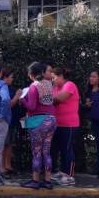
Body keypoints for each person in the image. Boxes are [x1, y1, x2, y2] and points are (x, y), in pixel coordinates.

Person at [19, 62, 57, 190]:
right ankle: (47, 181)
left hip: (38, 121)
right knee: (46, 152)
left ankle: (35, 180)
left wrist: (22, 99)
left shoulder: (33, 86)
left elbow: (31, 107)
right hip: (52, 120)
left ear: (31, 74)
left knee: (36, 152)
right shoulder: (49, 84)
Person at [51, 67, 80, 185]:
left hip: (69, 124)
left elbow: (59, 99)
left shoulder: (69, 85)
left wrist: (43, 98)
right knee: (58, 149)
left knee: (67, 149)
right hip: (57, 124)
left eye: (54, 77)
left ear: (61, 76)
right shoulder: (55, 88)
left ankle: (69, 176)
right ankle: (62, 172)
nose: (52, 80)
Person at [0, 66, 23, 179]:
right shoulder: (3, 89)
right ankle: (2, 167)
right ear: (5, 77)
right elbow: (8, 104)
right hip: (5, 120)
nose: (12, 79)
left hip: (13, 120)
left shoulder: (10, 88)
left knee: (9, 144)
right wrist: (17, 96)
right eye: (11, 77)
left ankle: (8, 166)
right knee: (4, 144)